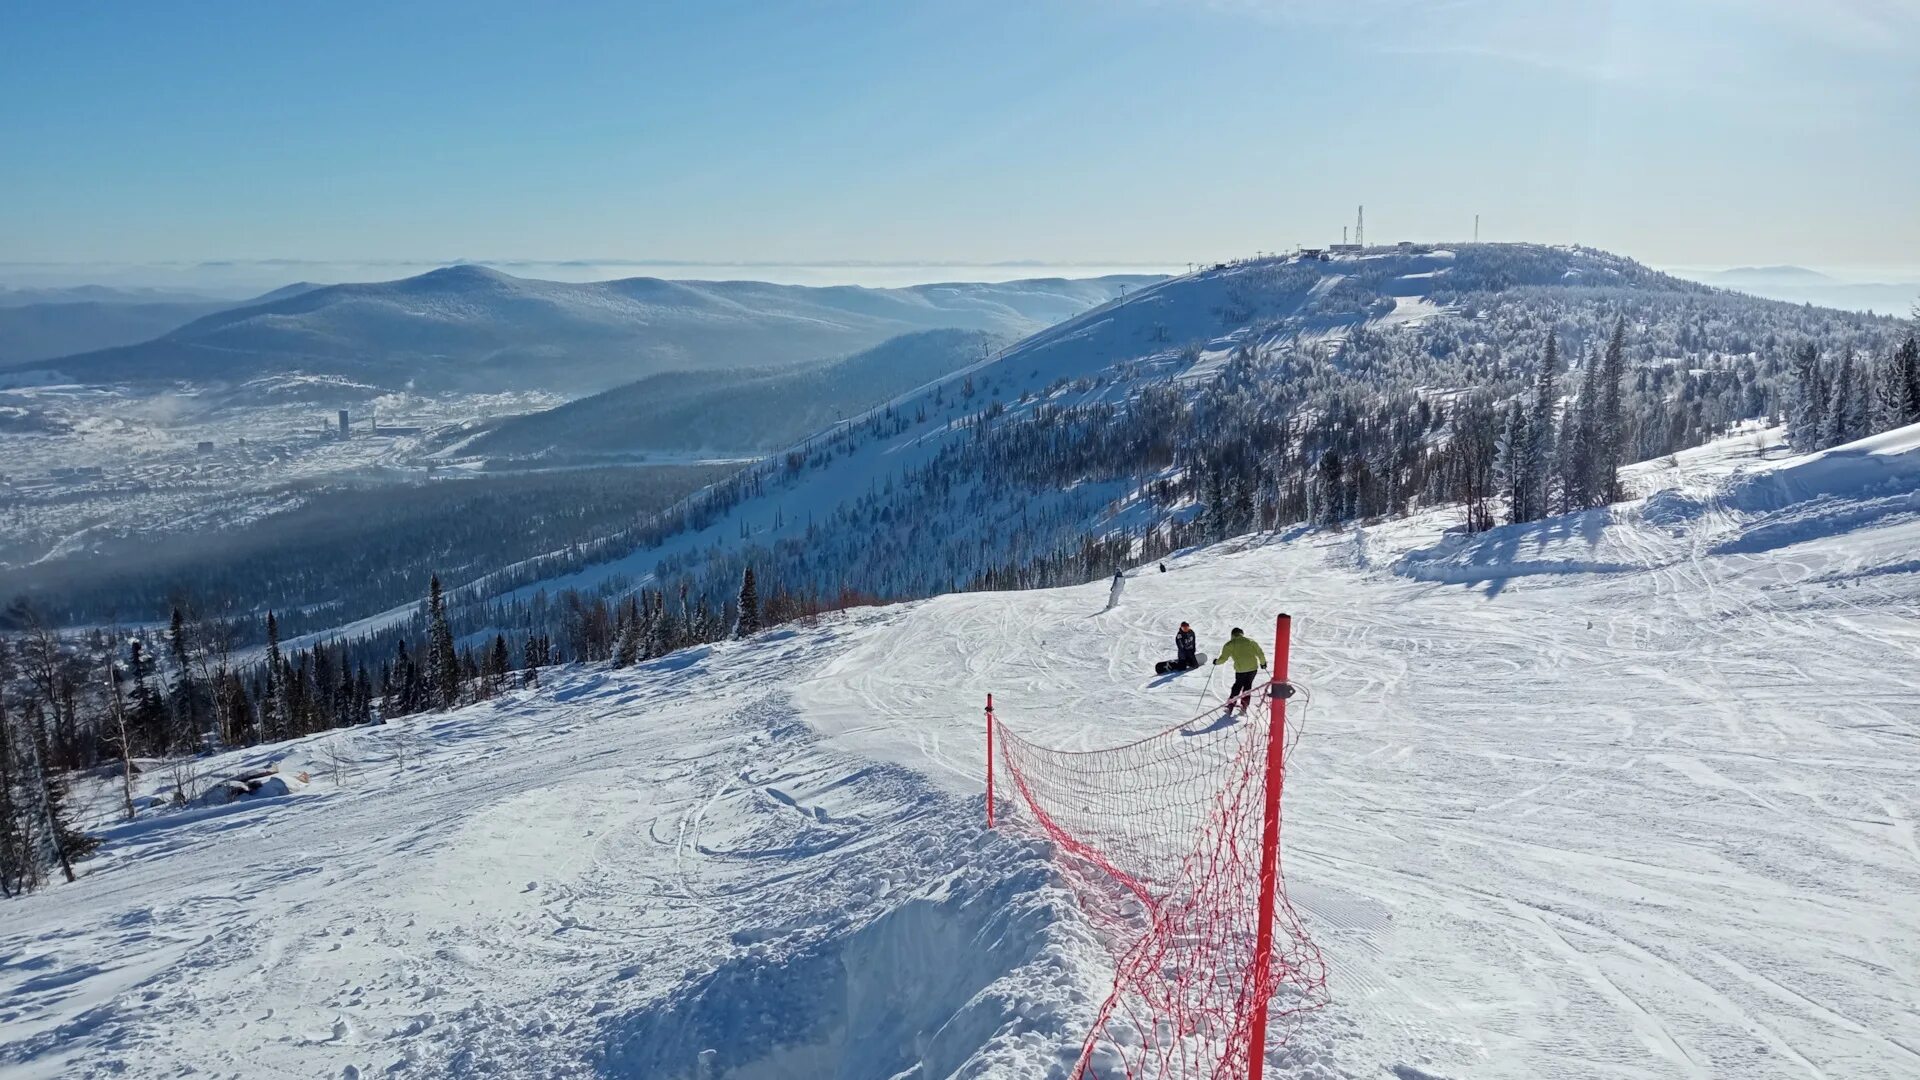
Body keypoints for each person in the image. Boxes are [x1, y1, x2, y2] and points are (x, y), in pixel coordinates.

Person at [1212, 627, 1267, 715]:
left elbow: (1223, 658)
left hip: (1241, 670)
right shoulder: (1250, 642)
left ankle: (1230, 707)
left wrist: (1216, 662)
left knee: (1237, 687)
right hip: (1252, 669)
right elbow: (1260, 653)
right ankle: (1244, 707)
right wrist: (1263, 663)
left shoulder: (1230, 644)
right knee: (1247, 687)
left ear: (1232, 635)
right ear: (1242, 634)